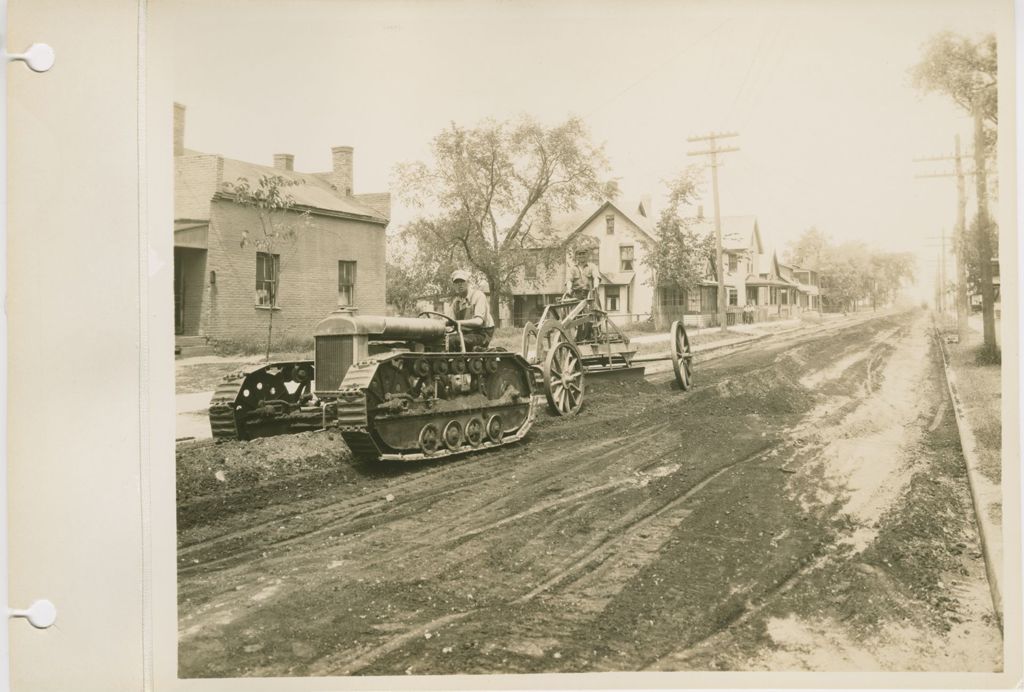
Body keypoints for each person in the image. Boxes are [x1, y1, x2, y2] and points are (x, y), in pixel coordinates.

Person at [448, 269, 494, 351]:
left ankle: (459, 363)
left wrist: (458, 323)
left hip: (482, 333)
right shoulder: (456, 302)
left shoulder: (478, 296)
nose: (460, 285)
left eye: (462, 281)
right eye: (457, 283)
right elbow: (450, 321)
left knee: (453, 341)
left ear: (467, 282)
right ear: (454, 286)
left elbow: (479, 321)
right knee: (443, 340)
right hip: (467, 333)